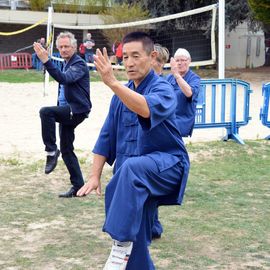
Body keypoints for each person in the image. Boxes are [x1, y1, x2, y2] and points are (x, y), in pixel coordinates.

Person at [77, 32, 190, 270]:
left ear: (152, 57)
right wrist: (94, 176)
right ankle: (126, 249)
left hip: (167, 167)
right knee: (135, 239)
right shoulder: (119, 97)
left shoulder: (164, 88)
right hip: (133, 179)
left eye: (135, 56)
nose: (129, 63)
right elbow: (106, 136)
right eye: (125, 57)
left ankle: (119, 243)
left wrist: (113, 83)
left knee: (129, 170)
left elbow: (146, 109)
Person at [33, 31, 92, 198]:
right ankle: (78, 186)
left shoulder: (79, 64)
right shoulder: (66, 62)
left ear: (74, 47)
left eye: (67, 46)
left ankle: (51, 151)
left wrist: (46, 61)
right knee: (67, 149)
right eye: (61, 47)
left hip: (76, 110)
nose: (64, 49)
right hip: (67, 110)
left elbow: (64, 79)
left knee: (46, 112)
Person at [166, 48, 201, 137]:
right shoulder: (169, 77)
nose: (180, 63)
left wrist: (177, 76)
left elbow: (189, 93)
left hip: (182, 120)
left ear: (189, 61)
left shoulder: (194, 78)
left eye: (183, 60)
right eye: (177, 60)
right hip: (167, 117)